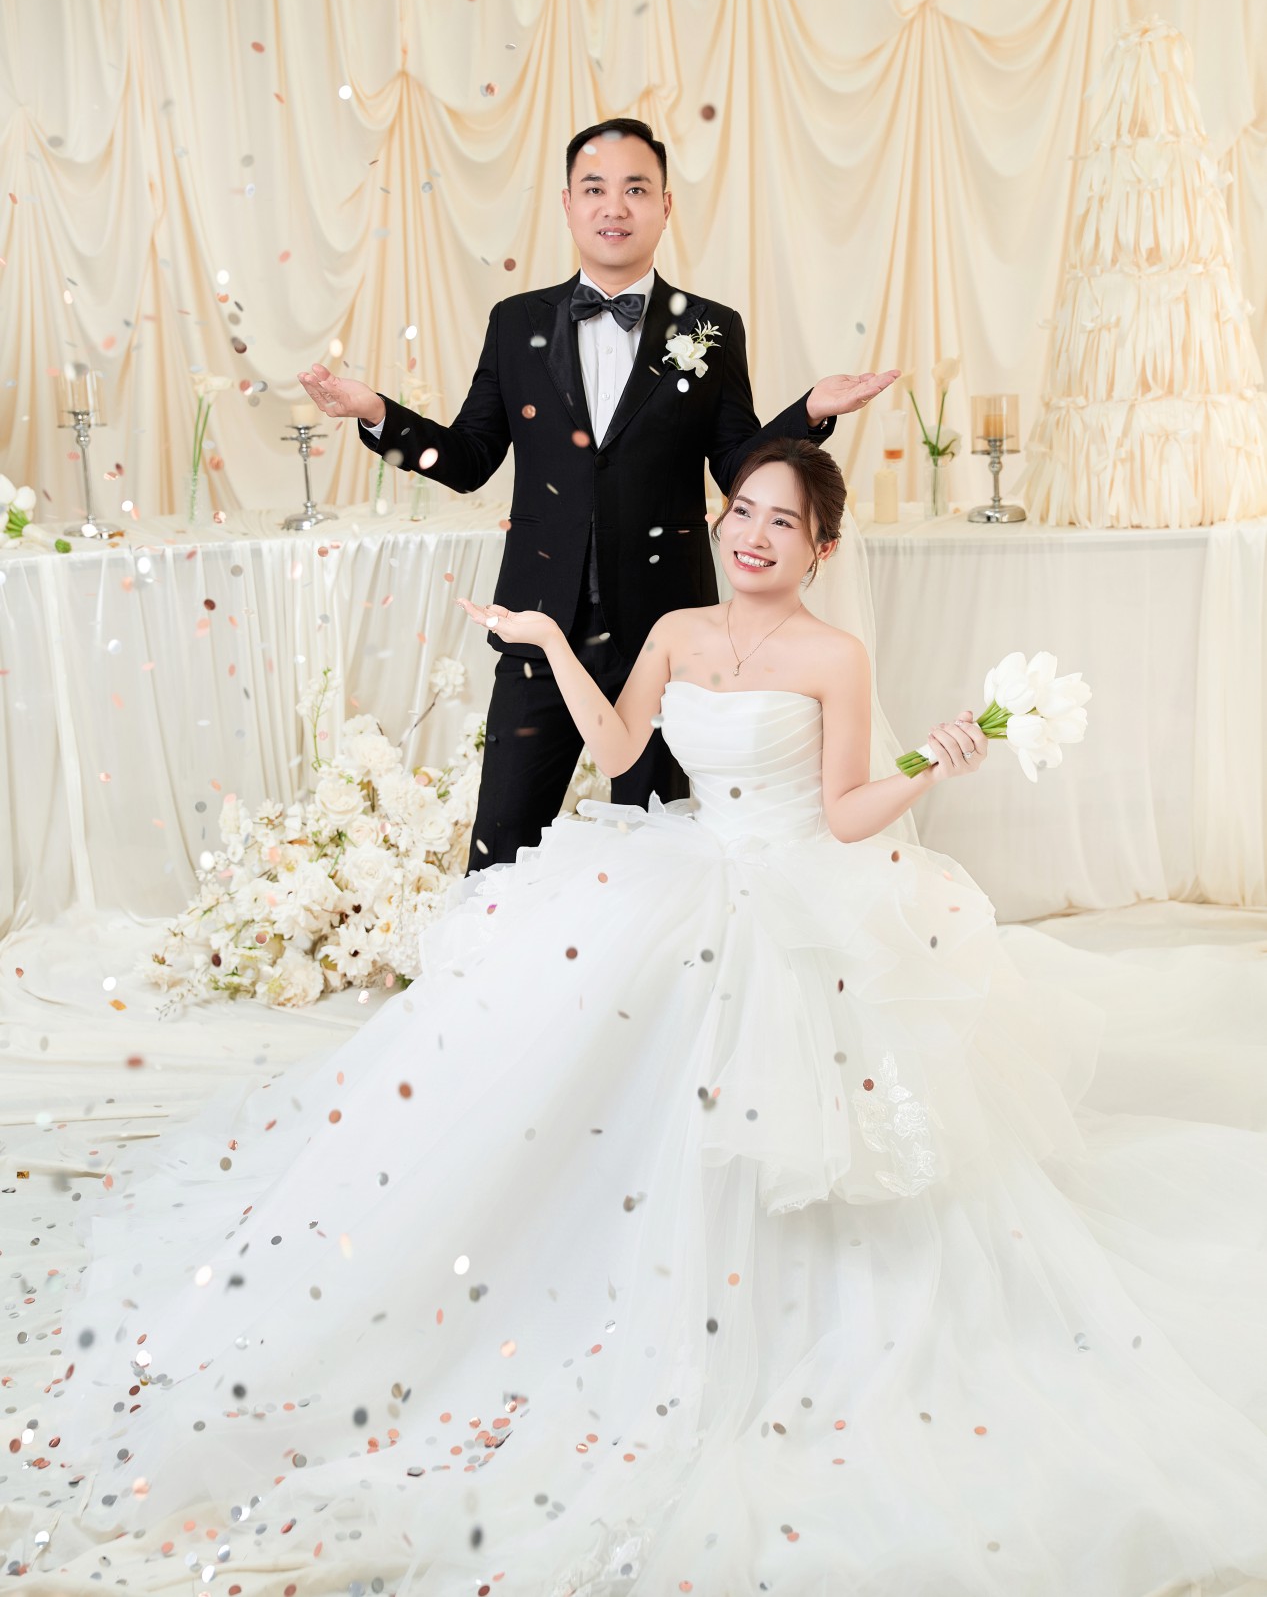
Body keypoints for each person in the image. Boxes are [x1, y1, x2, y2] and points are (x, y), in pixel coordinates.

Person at [33, 441, 1267, 1596]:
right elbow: (623, 746)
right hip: (680, 868)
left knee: (772, 1095)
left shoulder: (833, 655)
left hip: (793, 889)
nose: (754, 534)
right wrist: (544, 641)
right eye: (742, 511)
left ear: (822, 547)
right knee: (582, 1069)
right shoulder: (676, 629)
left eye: (783, 522)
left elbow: (842, 813)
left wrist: (934, 761)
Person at [296, 117, 899, 872]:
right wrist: (377, 414)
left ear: (666, 206)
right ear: (567, 204)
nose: (614, 206)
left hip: (667, 634)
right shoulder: (516, 323)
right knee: (501, 847)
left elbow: (737, 471)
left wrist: (807, 412)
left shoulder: (710, 328)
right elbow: (469, 459)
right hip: (538, 621)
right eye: (595, 189)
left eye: (635, 189)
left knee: (660, 853)